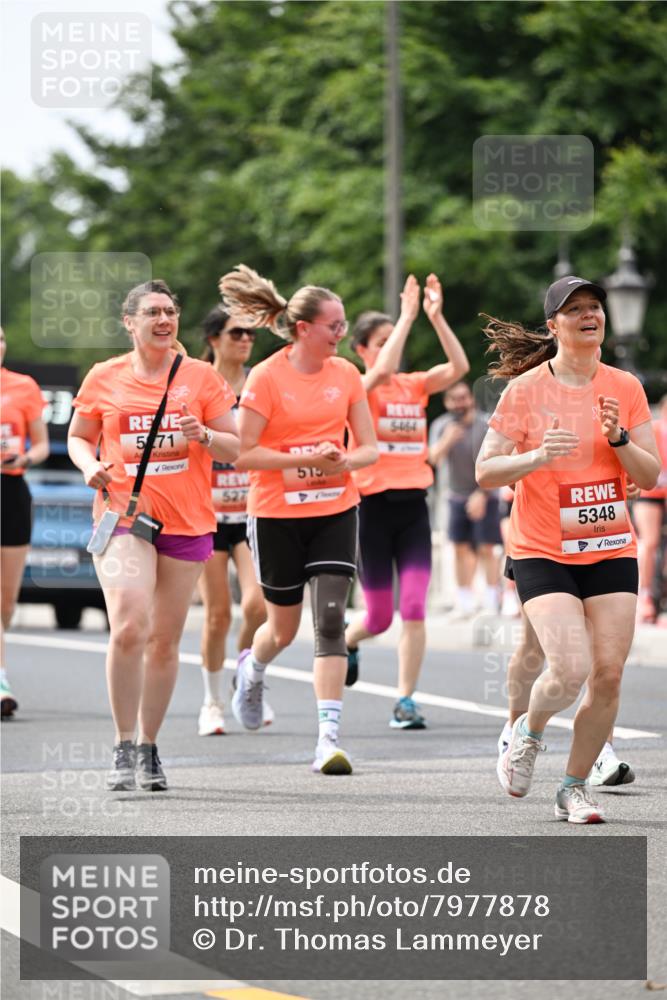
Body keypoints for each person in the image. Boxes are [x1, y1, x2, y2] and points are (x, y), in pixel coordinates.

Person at [476, 274, 659, 824]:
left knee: (608, 673)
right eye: (575, 308)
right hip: (542, 548)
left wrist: (620, 440)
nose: (590, 314)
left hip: (608, 547)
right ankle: (526, 734)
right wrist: (533, 459)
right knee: (569, 666)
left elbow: (649, 477)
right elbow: (485, 470)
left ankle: (573, 788)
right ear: (553, 325)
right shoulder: (526, 390)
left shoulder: (624, 387)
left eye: (595, 307)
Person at [68, 280, 239, 791]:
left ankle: (148, 745)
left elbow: (234, 447)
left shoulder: (201, 377)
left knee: (164, 642)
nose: (164, 320)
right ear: (130, 322)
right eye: (152, 313)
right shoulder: (105, 377)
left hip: (187, 521)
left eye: (170, 312)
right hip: (123, 514)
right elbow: (79, 437)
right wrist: (88, 465)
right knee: (128, 626)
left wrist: (204, 436)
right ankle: (122, 745)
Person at [219, 264, 378, 775]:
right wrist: (301, 459)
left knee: (330, 621)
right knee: (281, 629)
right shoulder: (267, 376)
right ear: (304, 328)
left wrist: (345, 461)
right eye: (334, 325)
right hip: (276, 513)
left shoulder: (347, 374)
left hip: (335, 507)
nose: (342, 333)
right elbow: (243, 455)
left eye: (344, 323)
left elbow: (369, 447)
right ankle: (252, 667)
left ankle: (327, 739)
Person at [344, 273, 470, 728]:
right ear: (361, 349)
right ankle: (348, 639)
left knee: (414, 608)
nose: (388, 348)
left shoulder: (414, 385)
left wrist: (434, 318)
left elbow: (457, 367)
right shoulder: (360, 385)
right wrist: (405, 317)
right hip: (372, 507)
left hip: (412, 506)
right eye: (378, 341)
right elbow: (380, 370)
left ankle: (405, 700)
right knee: (378, 618)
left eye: (390, 339)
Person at [196, 305, 271, 736]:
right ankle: (211, 702)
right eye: (236, 333)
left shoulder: (259, 384)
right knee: (217, 616)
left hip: (251, 511)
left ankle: (246, 677)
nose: (245, 340)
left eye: (250, 334)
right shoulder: (197, 383)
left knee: (258, 605)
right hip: (204, 515)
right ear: (213, 339)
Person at [0, 327, 50, 718]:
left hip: (12, 492)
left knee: (5, 602)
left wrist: (26, 460)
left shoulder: (23, 386)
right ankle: (0, 680)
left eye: (1, 338)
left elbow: (43, 443)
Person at [429, 380, 503, 616]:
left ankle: (492, 600)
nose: (460, 403)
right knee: (459, 549)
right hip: (455, 496)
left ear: (470, 398)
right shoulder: (442, 426)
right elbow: (432, 459)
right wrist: (447, 441)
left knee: (486, 548)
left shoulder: (485, 423)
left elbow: (497, 461)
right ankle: (464, 601)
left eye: (463, 397)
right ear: (447, 402)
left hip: (486, 493)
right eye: (454, 399)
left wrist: (482, 494)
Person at [632, 394, 667, 623]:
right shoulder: (655, 429)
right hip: (649, 493)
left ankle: (661, 599)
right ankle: (643, 594)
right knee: (650, 541)